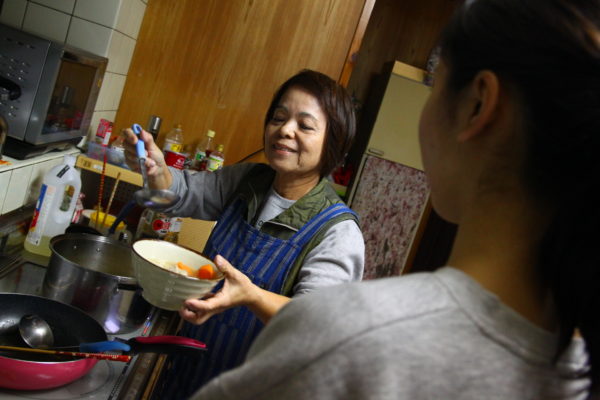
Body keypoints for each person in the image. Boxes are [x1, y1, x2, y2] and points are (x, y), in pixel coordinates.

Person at [191, 0, 599, 398]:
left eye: (434, 86)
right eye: (279, 118)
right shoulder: (576, 373)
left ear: (478, 106)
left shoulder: (346, 337)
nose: (285, 131)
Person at [123, 69, 364, 397]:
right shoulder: (248, 180)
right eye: (279, 117)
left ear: (334, 143)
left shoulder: (337, 233)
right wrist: (157, 169)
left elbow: (316, 325)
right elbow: (181, 193)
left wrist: (251, 296)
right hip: (186, 372)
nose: (285, 130)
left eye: (305, 125)